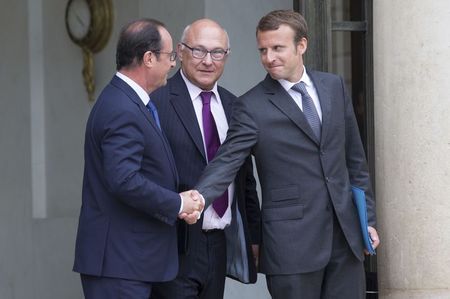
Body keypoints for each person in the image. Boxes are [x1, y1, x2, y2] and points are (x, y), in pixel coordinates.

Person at [193, 10, 380, 299]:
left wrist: (367, 219)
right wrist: (199, 197)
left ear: (301, 45)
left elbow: (355, 161)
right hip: (291, 249)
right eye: (263, 50)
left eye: (277, 48)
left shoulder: (334, 87)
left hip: (346, 241)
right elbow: (227, 161)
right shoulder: (250, 106)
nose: (269, 57)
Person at [72, 18, 204, 299]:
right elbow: (124, 180)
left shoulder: (129, 102)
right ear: (148, 58)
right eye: (170, 56)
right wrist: (177, 203)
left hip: (132, 262)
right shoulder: (122, 108)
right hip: (119, 265)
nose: (172, 64)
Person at [150, 19, 261, 299]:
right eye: (199, 51)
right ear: (180, 51)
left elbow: (245, 180)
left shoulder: (237, 107)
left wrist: (255, 237)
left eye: (217, 52)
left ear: (227, 56)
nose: (208, 61)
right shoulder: (156, 102)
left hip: (219, 243)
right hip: (173, 246)